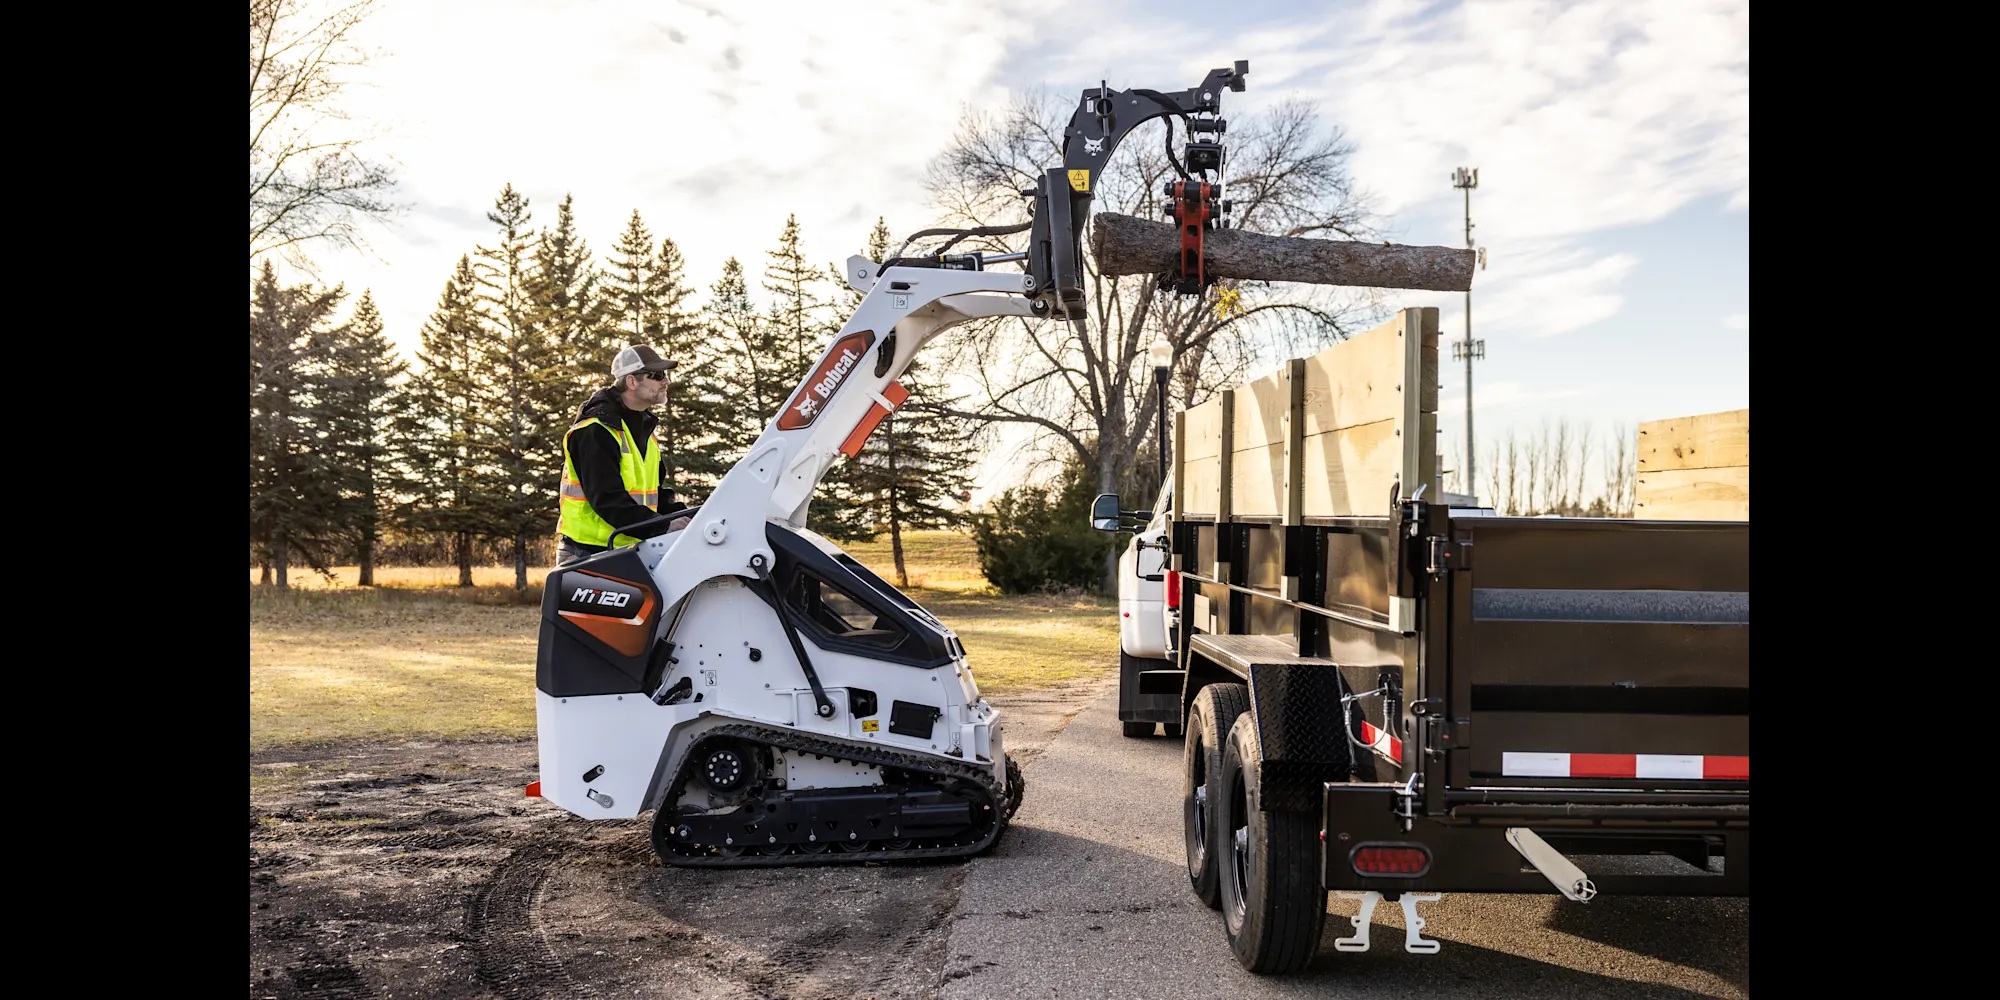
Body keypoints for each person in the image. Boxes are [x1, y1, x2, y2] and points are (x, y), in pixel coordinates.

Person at [555, 344, 693, 567]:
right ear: (631, 381)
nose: (666, 381)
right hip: (588, 554)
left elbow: (656, 496)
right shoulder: (595, 430)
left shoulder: (643, 430)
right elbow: (608, 500)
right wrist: (663, 526)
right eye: (657, 375)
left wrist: (693, 518)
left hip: (628, 550)